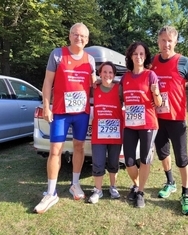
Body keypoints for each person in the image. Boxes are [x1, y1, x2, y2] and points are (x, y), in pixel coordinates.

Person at [34, 22, 96, 213]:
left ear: (87, 40)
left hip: (81, 113)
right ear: (70, 36)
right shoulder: (58, 54)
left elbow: (95, 84)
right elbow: (47, 81)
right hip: (60, 112)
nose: (80, 38)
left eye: (83, 36)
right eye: (76, 35)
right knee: (55, 150)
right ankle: (51, 192)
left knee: (79, 147)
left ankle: (74, 184)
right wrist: (46, 106)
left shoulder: (90, 60)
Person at [151, 25, 188, 215]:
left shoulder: (184, 62)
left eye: (170, 41)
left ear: (175, 42)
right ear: (158, 41)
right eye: (163, 40)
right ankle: (170, 182)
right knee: (163, 154)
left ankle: (186, 193)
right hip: (158, 119)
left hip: (177, 119)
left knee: (182, 158)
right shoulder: (153, 61)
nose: (166, 44)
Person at [121, 41, 162, 208]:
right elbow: (120, 98)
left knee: (145, 159)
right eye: (135, 54)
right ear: (131, 56)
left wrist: (156, 92)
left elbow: (158, 103)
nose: (138, 57)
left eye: (142, 54)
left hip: (148, 124)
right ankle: (137, 184)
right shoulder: (125, 77)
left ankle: (140, 192)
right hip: (130, 124)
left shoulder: (151, 75)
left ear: (145, 57)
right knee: (129, 161)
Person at [88, 61, 123, 204]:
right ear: (100, 73)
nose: (107, 75)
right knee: (98, 162)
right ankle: (98, 190)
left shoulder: (119, 88)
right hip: (99, 133)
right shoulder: (94, 88)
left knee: (114, 162)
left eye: (110, 72)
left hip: (115, 133)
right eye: (105, 72)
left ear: (114, 75)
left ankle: (113, 187)